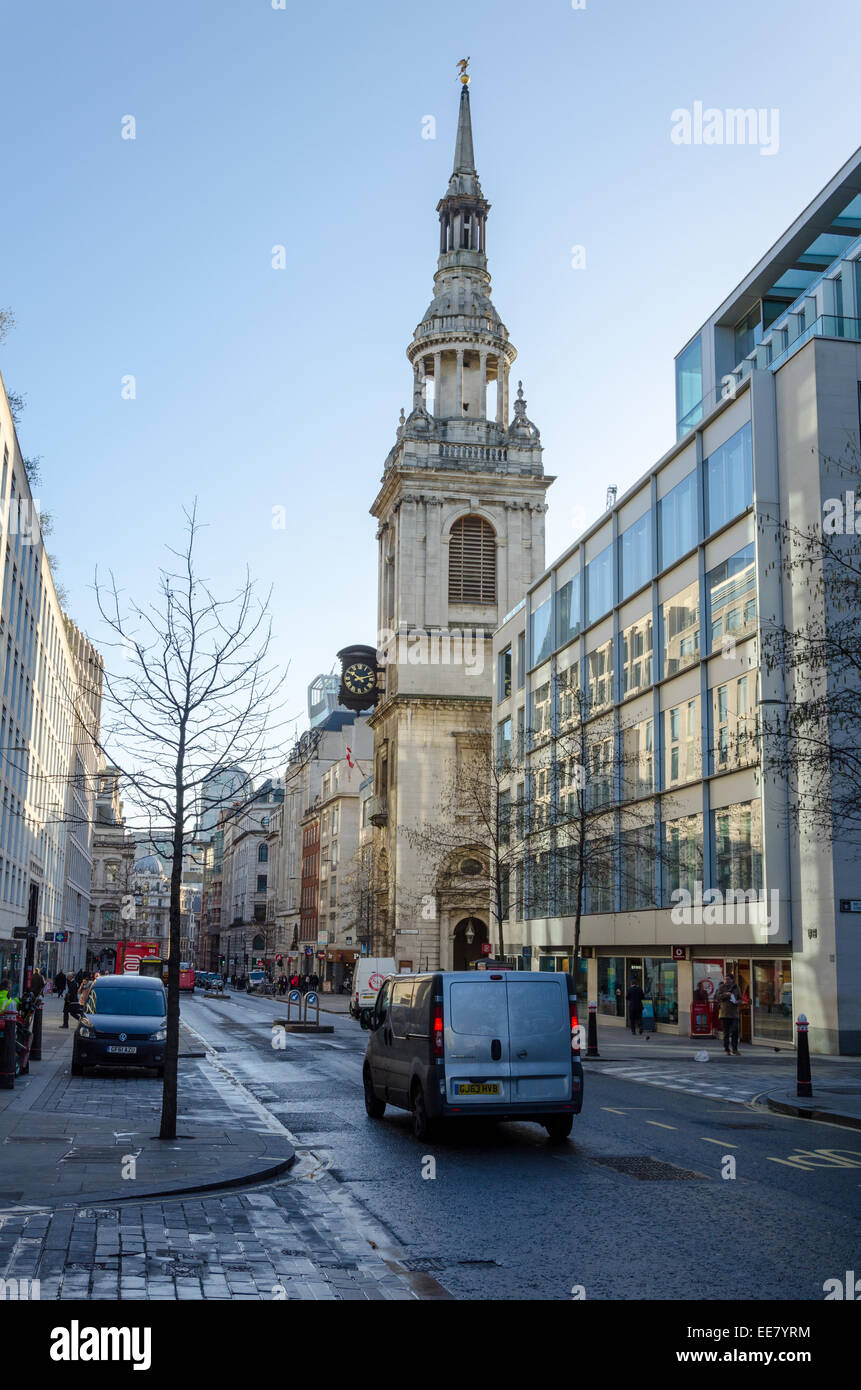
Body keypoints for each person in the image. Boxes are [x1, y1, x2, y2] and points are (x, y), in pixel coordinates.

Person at [715, 974, 743, 1055]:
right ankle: (727, 1049)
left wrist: (738, 1002)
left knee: (735, 1031)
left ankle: (735, 1049)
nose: (726, 981)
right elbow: (718, 997)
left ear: (732, 980)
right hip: (725, 1013)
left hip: (734, 1014)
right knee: (726, 1033)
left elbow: (740, 998)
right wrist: (725, 994)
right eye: (725, 979)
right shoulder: (722, 987)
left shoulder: (736, 988)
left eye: (728, 979)